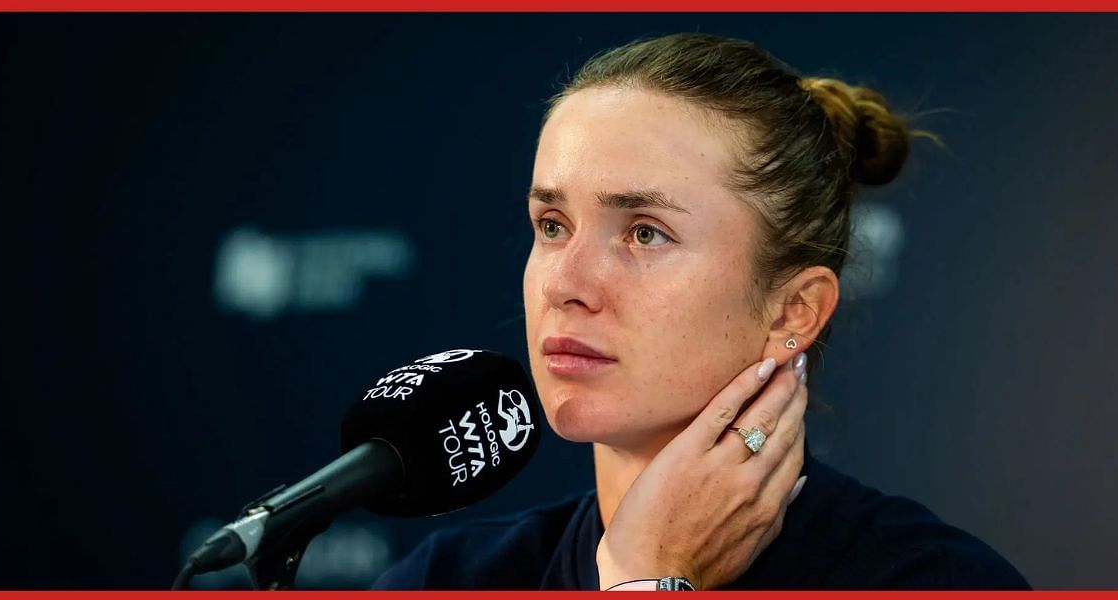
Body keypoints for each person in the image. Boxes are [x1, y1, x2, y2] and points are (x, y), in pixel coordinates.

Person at [372, 32, 1030, 590]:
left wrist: (647, 578)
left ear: (794, 312)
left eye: (645, 233)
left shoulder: (930, 581)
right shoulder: (447, 580)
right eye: (552, 225)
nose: (564, 283)